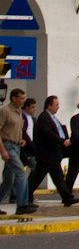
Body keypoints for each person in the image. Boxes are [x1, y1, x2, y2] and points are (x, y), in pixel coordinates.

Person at [27, 95, 78, 207]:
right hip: (46, 154)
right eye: (56, 105)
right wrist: (62, 141)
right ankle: (25, 196)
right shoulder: (44, 118)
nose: (58, 107)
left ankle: (67, 197)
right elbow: (48, 134)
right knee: (38, 178)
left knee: (58, 177)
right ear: (49, 105)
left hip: (52, 154)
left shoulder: (52, 118)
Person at [0, 88, 35, 216]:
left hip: (16, 146)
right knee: (21, 173)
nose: (23, 101)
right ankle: (22, 205)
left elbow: (17, 129)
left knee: (9, 180)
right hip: (7, 146)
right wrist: (3, 151)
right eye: (21, 98)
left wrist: (21, 140)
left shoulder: (19, 112)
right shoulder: (5, 111)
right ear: (13, 98)